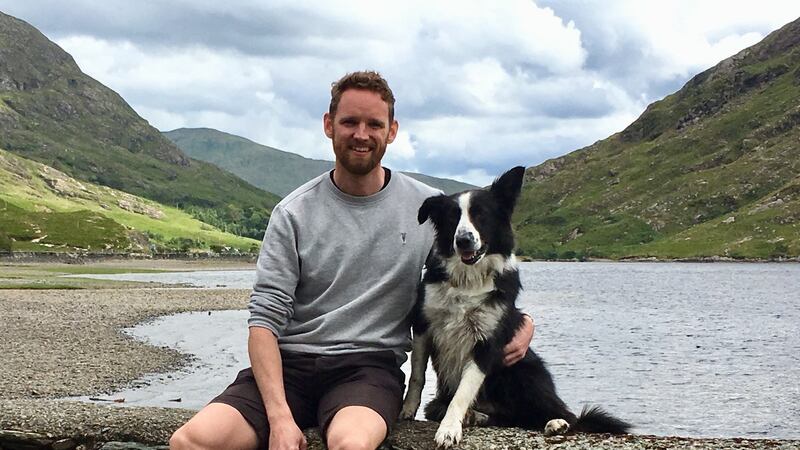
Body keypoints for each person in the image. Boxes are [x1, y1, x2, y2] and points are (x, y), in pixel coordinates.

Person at [169, 71, 534, 450]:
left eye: (374, 124)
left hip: (367, 370)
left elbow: (473, 281)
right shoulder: (292, 213)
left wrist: (522, 324)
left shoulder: (432, 208)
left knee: (351, 445)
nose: (362, 134)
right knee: (189, 442)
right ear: (329, 126)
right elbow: (263, 321)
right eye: (349, 122)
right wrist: (279, 419)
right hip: (288, 368)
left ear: (391, 131)